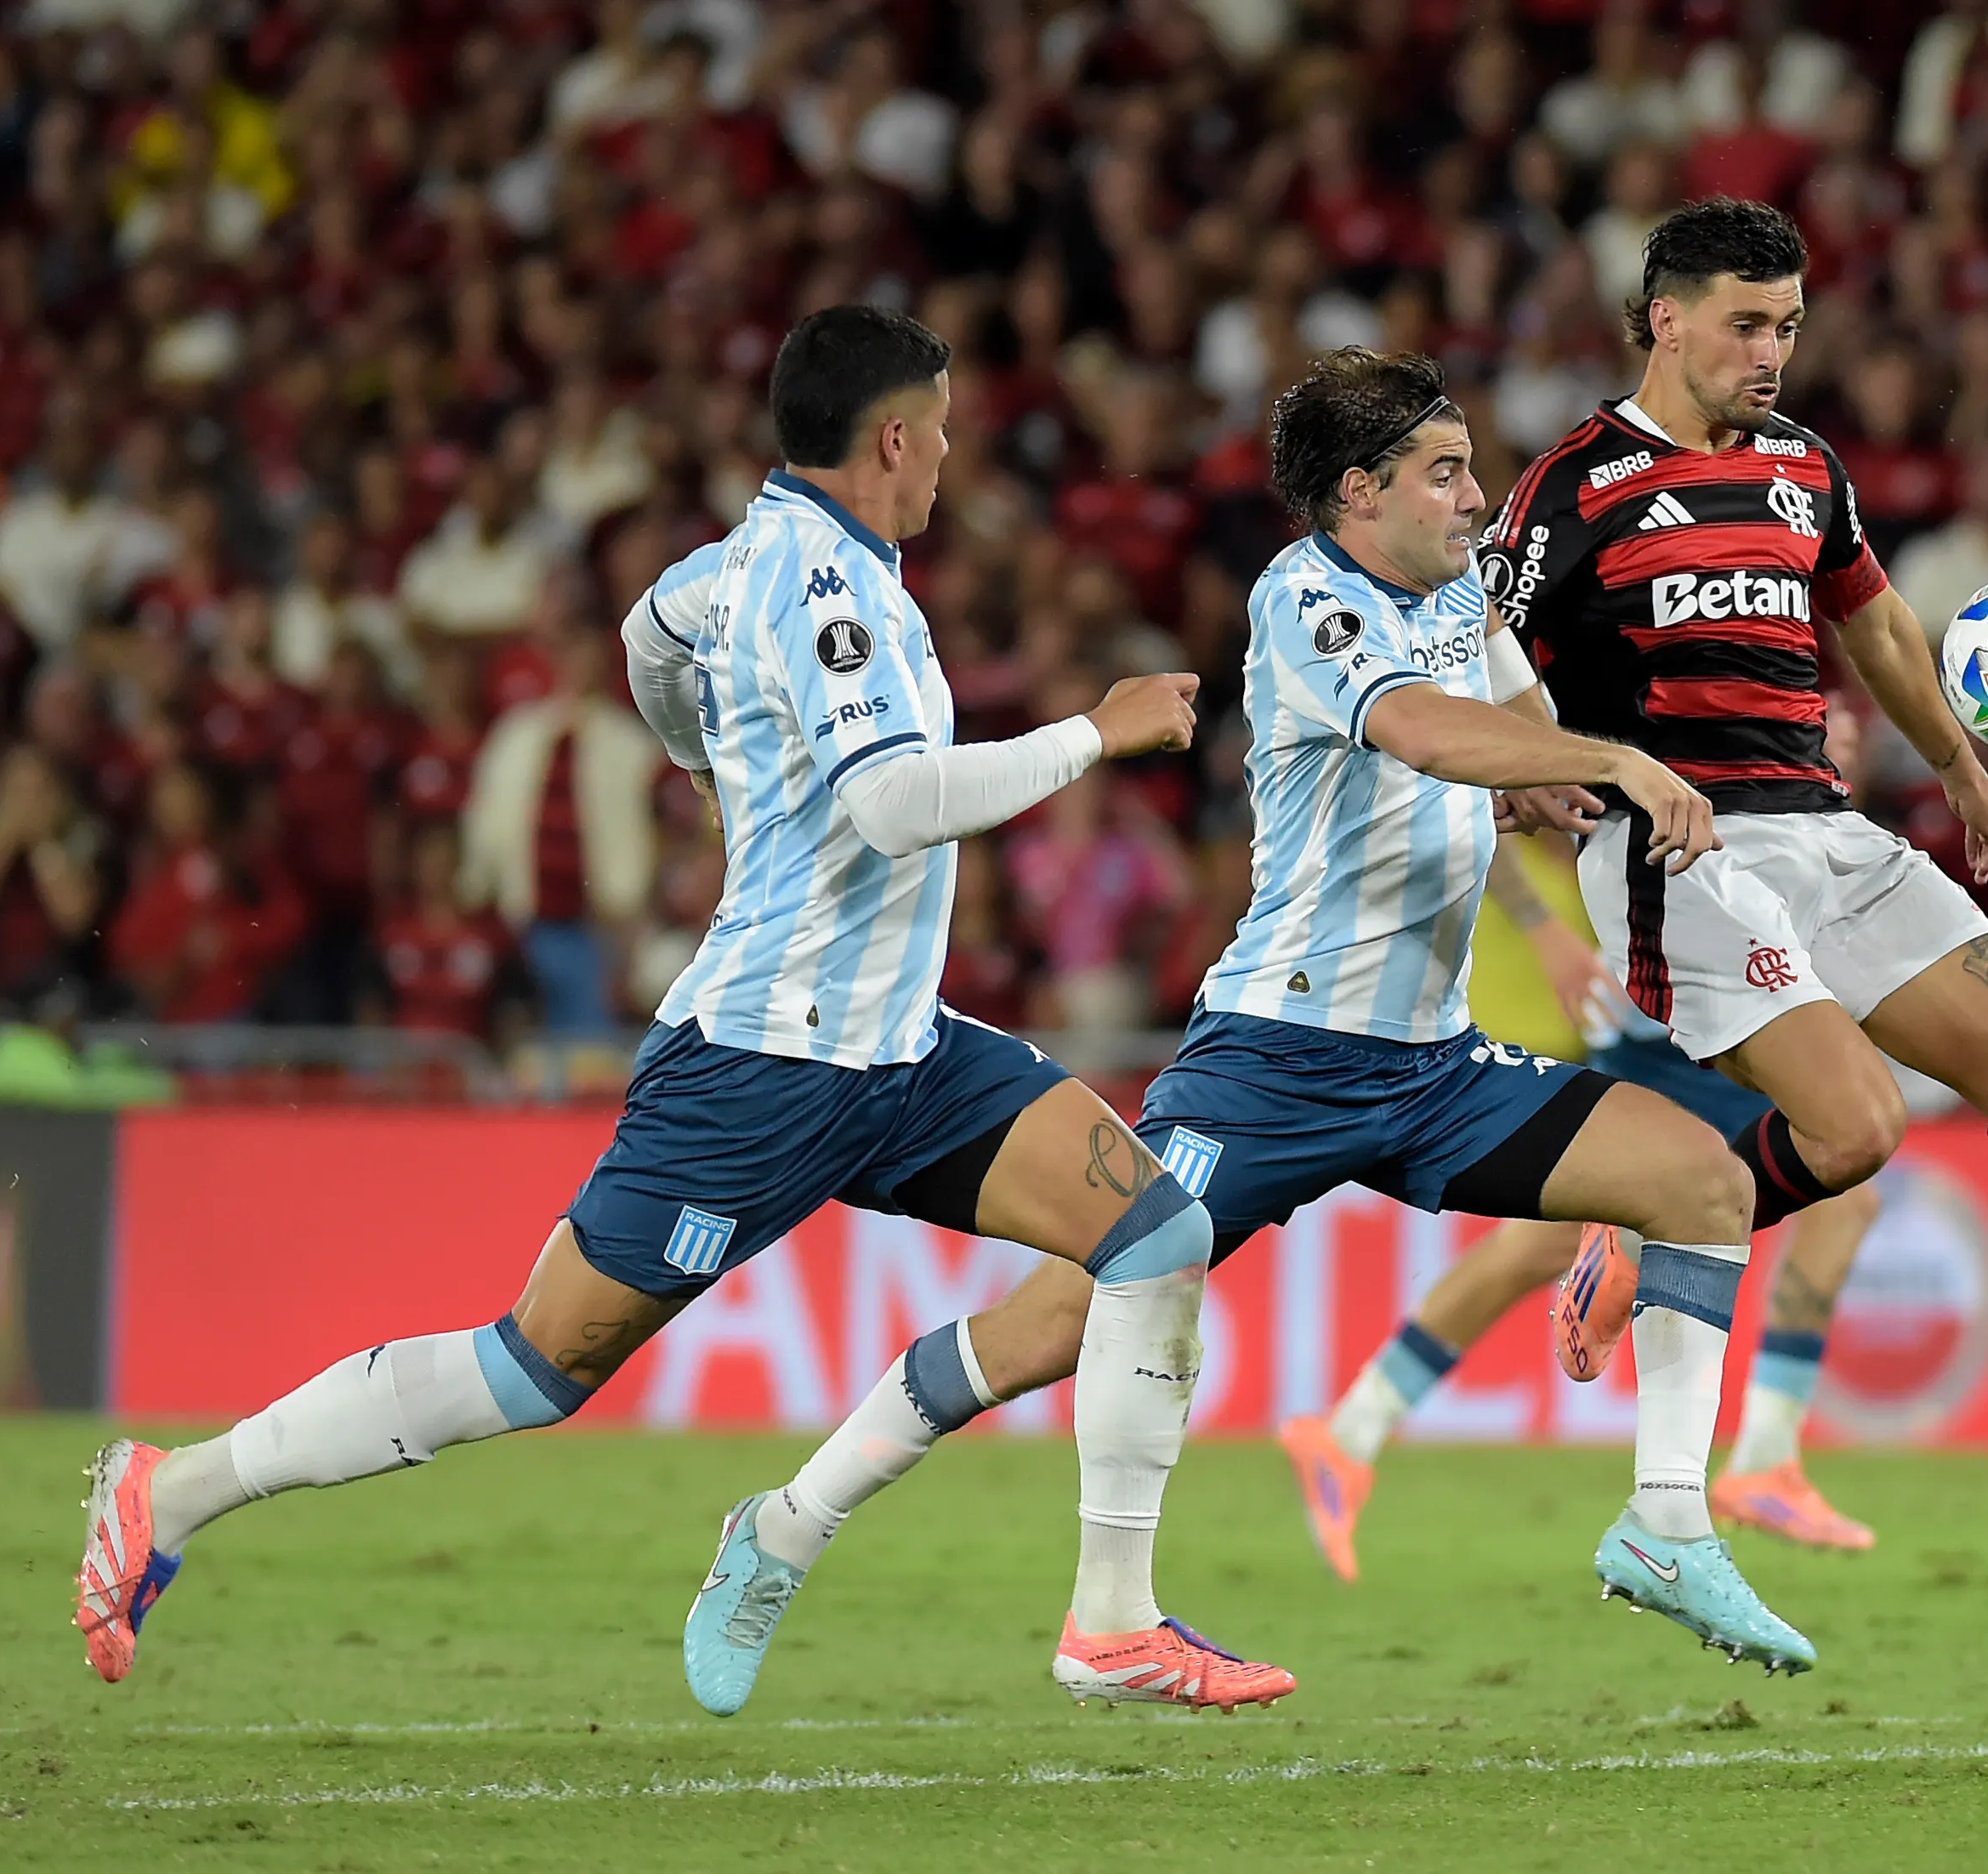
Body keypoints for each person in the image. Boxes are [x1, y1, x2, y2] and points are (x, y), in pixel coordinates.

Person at [72, 306, 1293, 1716]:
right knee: (534, 1365)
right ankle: (175, 1487)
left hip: (896, 1049)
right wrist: (1099, 728)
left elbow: (648, 638)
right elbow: (891, 803)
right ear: (892, 436)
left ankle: (1111, 1620)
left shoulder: (735, 565)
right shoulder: (831, 594)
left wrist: (708, 774)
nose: (951, 455)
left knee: (1155, 1229)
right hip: (762, 1066)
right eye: (943, 429)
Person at [698, 348, 1823, 1714]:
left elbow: (1508, 715)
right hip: (1276, 1063)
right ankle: (788, 1525)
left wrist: (1559, 784)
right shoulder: (1303, 597)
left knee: (1698, 1181)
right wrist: (1602, 761)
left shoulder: (1461, 592)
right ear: (1358, 493)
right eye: (1445, 472)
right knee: (1058, 1320)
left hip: (1431, 1062)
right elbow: (1420, 730)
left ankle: (1664, 1524)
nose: (1476, 498)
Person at [1481, 199, 1988, 1484]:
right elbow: (1477, 665)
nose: (1770, 352)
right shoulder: (1569, 487)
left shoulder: (1801, 463)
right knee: (1854, 1132)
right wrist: (1523, 769)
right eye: (1745, 325)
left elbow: (1876, 628)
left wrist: (1963, 773)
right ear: (1663, 320)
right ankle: (1644, 1230)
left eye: (1787, 326)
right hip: (1679, 851)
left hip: (1822, 829)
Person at [1277, 719, 1889, 1577]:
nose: (1842, 750)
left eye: (1848, 738)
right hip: (1674, 1030)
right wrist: (1543, 930)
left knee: (1547, 1242)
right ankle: (1762, 1458)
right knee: (1841, 1190)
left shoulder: (1797, 809)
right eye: (1830, 730)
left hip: (1682, 1028)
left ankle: (1349, 1429)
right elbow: (1463, 801)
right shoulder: (1676, 753)